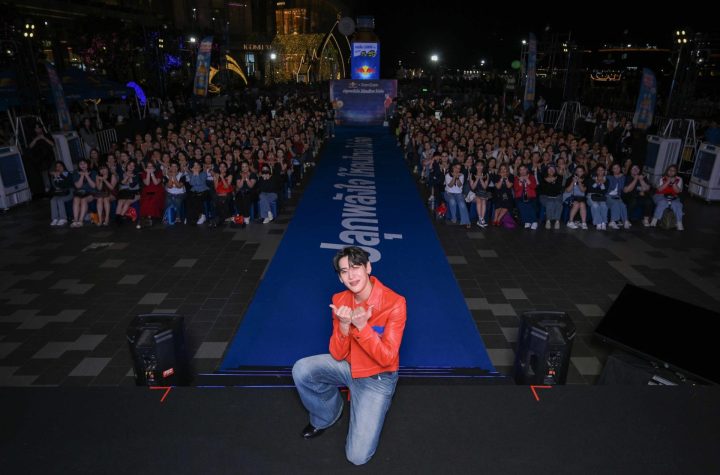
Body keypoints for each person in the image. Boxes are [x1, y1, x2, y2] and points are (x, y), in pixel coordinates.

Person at [292, 246, 407, 466]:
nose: (351, 275)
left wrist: (362, 327)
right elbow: (337, 353)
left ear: (368, 267)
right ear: (340, 277)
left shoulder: (395, 303)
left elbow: (387, 358)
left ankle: (368, 403)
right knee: (302, 369)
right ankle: (327, 414)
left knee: (357, 457)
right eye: (344, 271)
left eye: (356, 267)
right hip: (348, 366)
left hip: (377, 378)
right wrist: (344, 326)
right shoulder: (339, 299)